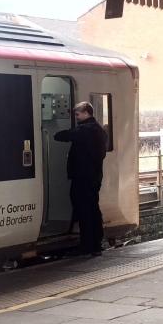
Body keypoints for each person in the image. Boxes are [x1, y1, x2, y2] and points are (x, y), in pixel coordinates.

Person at [54, 101, 108, 256]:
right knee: (93, 209)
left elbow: (61, 136)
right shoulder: (99, 130)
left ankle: (88, 245)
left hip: (82, 177)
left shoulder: (86, 129)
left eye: (77, 114)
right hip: (94, 176)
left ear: (86, 112)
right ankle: (96, 244)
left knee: (84, 210)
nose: (76, 118)